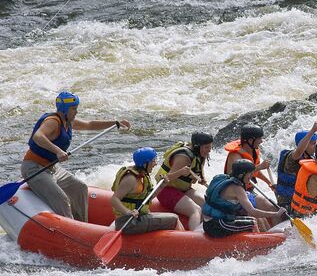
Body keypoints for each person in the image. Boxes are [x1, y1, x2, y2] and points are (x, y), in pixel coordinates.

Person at [21, 91, 130, 221]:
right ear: (64, 110)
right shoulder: (53, 121)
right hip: (34, 168)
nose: (76, 112)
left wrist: (115, 122)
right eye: (73, 109)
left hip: (52, 168)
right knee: (62, 199)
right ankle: (68, 227)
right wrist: (57, 151)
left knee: (80, 188)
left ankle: (81, 224)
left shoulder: (69, 121)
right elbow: (38, 136)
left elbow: (89, 124)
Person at [203, 159, 285, 237]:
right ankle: (259, 246)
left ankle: (265, 237)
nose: (252, 176)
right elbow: (253, 212)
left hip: (208, 222)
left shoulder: (221, 178)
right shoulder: (237, 189)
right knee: (252, 223)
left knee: (250, 217)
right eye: (250, 174)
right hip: (217, 225)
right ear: (241, 175)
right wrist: (276, 214)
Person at [111, 147, 183, 234]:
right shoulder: (131, 179)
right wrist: (128, 212)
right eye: (153, 161)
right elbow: (114, 199)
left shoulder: (143, 176)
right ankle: (186, 243)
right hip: (128, 222)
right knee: (174, 219)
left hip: (139, 217)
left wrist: (162, 185)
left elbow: (149, 197)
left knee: (174, 217)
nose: (155, 163)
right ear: (144, 164)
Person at [154, 132, 213, 231]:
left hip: (183, 189)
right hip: (166, 191)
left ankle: (205, 230)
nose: (209, 150)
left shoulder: (200, 153)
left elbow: (199, 167)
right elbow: (166, 179)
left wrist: (202, 178)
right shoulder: (183, 157)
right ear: (198, 146)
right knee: (196, 210)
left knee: (207, 205)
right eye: (207, 147)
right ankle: (195, 237)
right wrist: (181, 172)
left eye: (210, 147)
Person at [223, 124, 280, 224]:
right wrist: (260, 167)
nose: (261, 141)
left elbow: (255, 173)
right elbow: (233, 177)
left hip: (249, 190)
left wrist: (268, 183)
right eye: (259, 139)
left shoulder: (253, 151)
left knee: (273, 208)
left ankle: (277, 233)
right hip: (237, 193)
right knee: (261, 218)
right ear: (250, 140)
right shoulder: (236, 156)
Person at [275, 121, 317, 209]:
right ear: (304, 144)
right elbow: (299, 151)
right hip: (287, 201)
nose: (316, 146)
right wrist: (312, 131)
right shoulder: (291, 157)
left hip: (303, 199)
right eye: (313, 144)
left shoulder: (311, 159)